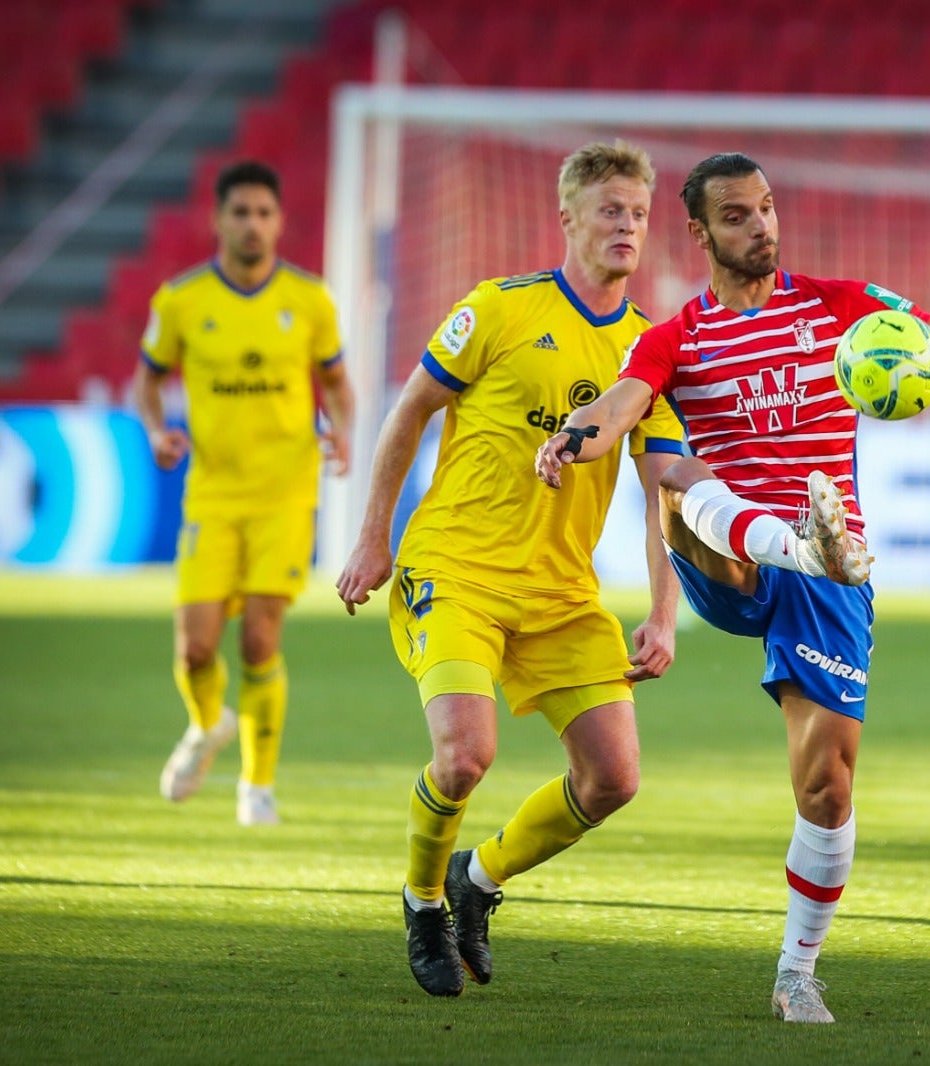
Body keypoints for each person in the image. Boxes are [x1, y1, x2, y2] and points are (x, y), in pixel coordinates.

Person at [535, 152, 930, 1023]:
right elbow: (622, 407)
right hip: (736, 556)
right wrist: (573, 436)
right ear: (702, 233)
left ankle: (795, 972)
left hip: (835, 573)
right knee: (671, 473)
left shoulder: (844, 307)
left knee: (827, 785)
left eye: (769, 209)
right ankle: (793, 540)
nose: (763, 227)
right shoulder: (677, 337)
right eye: (739, 216)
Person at [334, 141, 685, 998]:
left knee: (614, 780)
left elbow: (660, 494)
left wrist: (665, 611)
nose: (627, 227)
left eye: (638, 213)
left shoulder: (653, 353)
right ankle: (421, 901)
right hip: (455, 567)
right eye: (610, 210)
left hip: (562, 594)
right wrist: (372, 536)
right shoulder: (496, 309)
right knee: (464, 755)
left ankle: (475, 881)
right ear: (567, 218)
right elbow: (411, 409)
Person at [133, 160, 355, 827]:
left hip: (285, 493)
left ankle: (256, 787)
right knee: (194, 649)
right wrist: (154, 431)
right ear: (219, 219)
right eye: (240, 212)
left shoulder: (310, 300)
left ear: (279, 221)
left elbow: (339, 384)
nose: (252, 224)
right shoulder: (180, 300)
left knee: (260, 638)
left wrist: (342, 431)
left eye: (264, 213)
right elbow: (147, 381)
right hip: (211, 496)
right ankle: (206, 727)